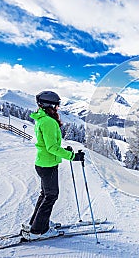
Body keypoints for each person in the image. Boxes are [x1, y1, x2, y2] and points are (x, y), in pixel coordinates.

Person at [22, 91, 84, 240]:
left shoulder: (42, 118)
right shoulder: (48, 122)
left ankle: (36, 223)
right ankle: (38, 231)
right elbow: (51, 148)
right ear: (49, 105)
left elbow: (50, 145)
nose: (58, 108)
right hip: (48, 165)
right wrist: (72, 156)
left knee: (45, 194)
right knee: (51, 196)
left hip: (43, 163)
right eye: (56, 105)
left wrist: (64, 150)